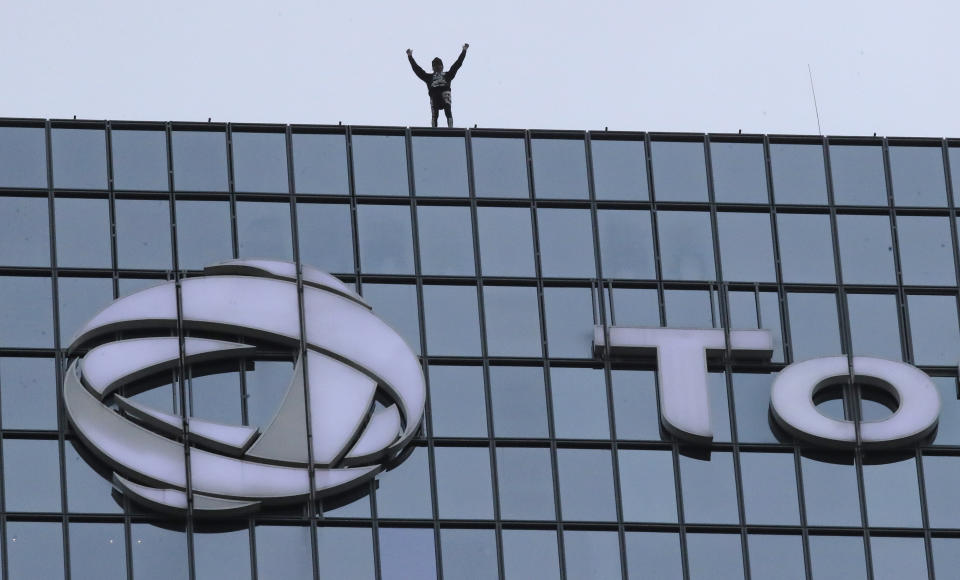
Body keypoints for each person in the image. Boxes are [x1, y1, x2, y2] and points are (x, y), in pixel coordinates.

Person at [406, 44, 468, 128]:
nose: (437, 67)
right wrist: (410, 57)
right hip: (434, 94)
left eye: (439, 65)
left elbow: (457, 64)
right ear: (433, 68)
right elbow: (417, 69)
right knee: (434, 113)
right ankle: (434, 128)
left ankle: (450, 127)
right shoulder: (429, 77)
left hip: (445, 92)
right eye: (435, 66)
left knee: (447, 109)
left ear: (442, 67)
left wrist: (464, 51)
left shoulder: (447, 75)